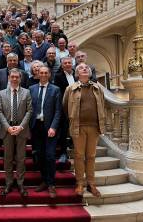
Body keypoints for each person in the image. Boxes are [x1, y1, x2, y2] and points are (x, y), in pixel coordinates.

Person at [63, 63, 105, 197]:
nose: (85, 69)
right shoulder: (71, 89)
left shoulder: (98, 88)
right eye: (81, 68)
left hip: (94, 127)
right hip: (78, 127)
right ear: (77, 73)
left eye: (86, 67)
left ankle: (91, 183)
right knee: (79, 156)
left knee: (91, 156)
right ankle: (80, 183)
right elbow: (65, 107)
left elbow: (103, 105)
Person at [0, 68, 32, 197]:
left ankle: (21, 183)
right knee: (8, 158)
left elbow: (29, 111)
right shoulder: (2, 93)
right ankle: (9, 182)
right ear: (9, 78)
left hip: (21, 130)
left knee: (21, 158)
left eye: (17, 77)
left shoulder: (26, 93)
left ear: (20, 78)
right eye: (12, 77)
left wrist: (21, 127)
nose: (15, 79)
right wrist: (7, 127)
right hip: (8, 130)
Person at [29, 65, 61, 199]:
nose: (42, 75)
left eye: (45, 73)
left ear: (49, 75)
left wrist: (53, 127)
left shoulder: (55, 90)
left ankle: (51, 184)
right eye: (40, 73)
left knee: (50, 156)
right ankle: (44, 180)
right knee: (39, 156)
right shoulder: (31, 89)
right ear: (37, 74)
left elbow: (58, 111)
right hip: (36, 127)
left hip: (49, 128)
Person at [54, 57, 76, 163]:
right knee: (64, 130)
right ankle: (63, 153)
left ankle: (75, 146)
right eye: (65, 63)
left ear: (72, 64)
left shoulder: (77, 75)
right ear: (62, 65)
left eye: (69, 62)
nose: (67, 64)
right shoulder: (58, 76)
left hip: (78, 106)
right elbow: (59, 93)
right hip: (65, 106)